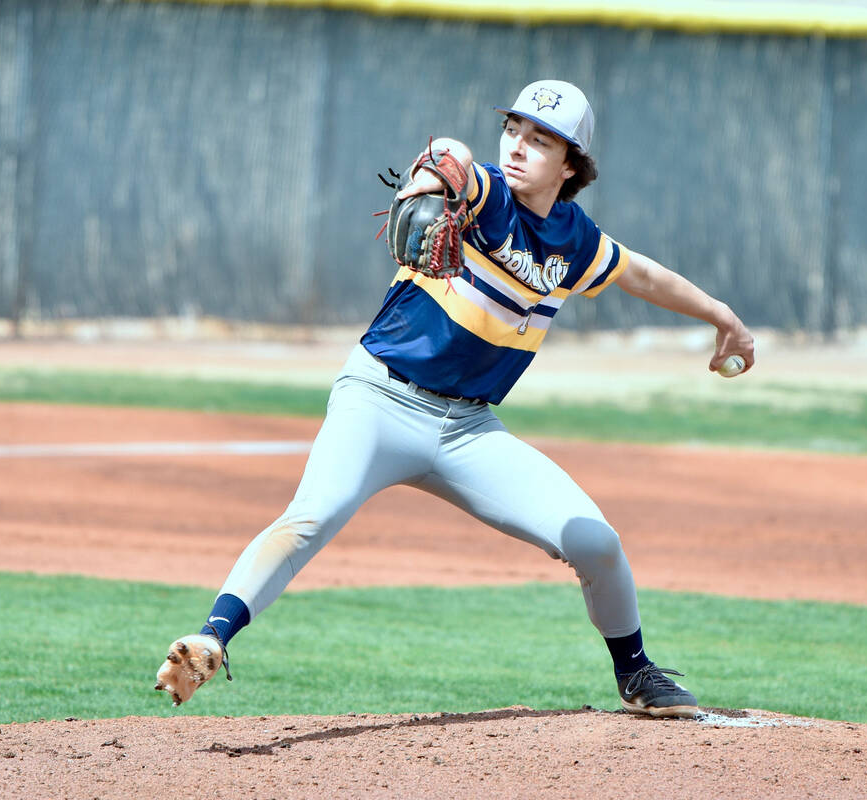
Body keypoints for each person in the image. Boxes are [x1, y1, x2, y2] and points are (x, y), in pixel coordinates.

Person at [154, 79, 755, 718]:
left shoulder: (575, 240)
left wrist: (724, 317)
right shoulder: (488, 195)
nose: (519, 147)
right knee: (314, 514)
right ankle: (209, 640)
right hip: (379, 400)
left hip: (469, 429)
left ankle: (636, 673)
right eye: (515, 131)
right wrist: (431, 178)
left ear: (571, 163)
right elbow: (451, 154)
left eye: (541, 140)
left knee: (597, 541)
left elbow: (641, 274)